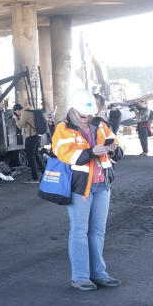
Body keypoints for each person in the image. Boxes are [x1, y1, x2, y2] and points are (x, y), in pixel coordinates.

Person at [52, 88, 123, 291]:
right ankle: (81, 277)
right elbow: (65, 154)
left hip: (102, 185)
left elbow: (118, 149)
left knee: (98, 232)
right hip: (81, 187)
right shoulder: (63, 129)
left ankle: (99, 274)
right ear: (74, 110)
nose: (87, 119)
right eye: (83, 115)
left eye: (90, 115)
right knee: (80, 232)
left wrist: (113, 149)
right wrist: (92, 151)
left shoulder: (101, 125)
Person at [13, 104, 40, 181]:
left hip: (31, 137)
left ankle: (35, 178)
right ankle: (44, 173)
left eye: (16, 112)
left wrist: (15, 119)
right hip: (36, 136)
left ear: (18, 110)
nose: (16, 114)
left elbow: (20, 125)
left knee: (30, 158)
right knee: (36, 156)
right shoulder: (30, 111)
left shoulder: (24, 113)